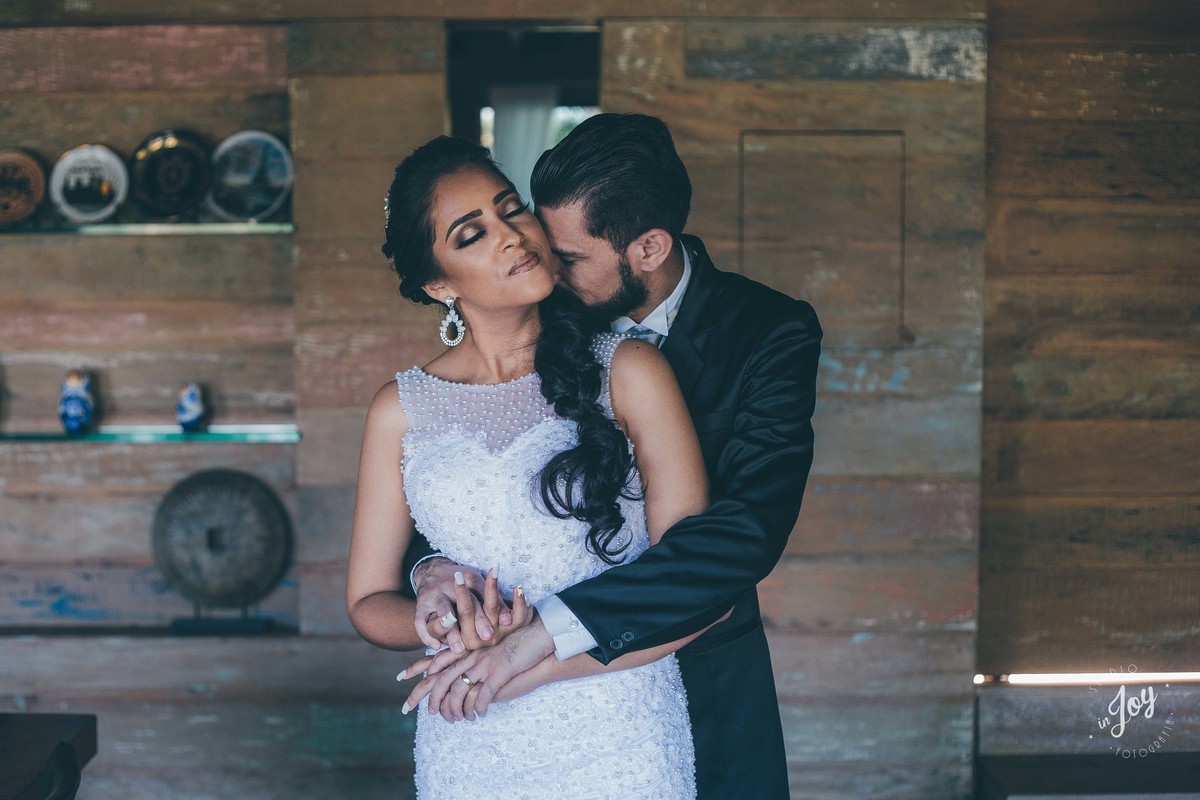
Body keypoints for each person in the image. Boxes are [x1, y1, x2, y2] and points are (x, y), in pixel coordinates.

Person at [404, 113, 822, 799]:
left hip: (699, 671)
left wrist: (541, 644)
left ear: (649, 248)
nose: (544, 266)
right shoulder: (540, 315)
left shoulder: (768, 331)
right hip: (519, 708)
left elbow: (743, 533)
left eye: (568, 258)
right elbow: (455, 477)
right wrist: (430, 567)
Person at [345, 134, 716, 798]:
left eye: (510, 209)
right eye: (471, 234)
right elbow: (370, 602)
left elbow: (700, 587)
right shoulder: (400, 409)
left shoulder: (629, 371)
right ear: (438, 284)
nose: (512, 235)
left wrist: (531, 662)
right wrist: (431, 614)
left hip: (619, 732)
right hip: (469, 734)